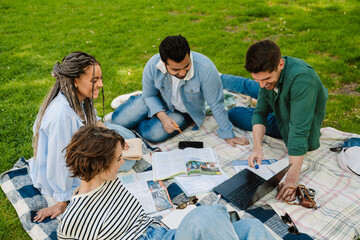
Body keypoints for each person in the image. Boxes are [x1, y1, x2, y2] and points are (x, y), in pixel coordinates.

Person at [57, 126, 275, 240]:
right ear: (99, 165)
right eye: (118, 159)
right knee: (205, 217)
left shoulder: (110, 182)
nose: (123, 163)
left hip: (163, 235)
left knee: (250, 228)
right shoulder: (74, 221)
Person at [30, 51, 135, 222]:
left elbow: (93, 118)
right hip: (69, 163)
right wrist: (63, 200)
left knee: (123, 136)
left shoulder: (75, 96)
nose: (100, 84)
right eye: (94, 80)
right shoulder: (61, 116)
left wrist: (113, 136)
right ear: (75, 81)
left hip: (82, 145)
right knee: (127, 161)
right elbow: (59, 161)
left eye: (100, 78)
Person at [221, 40, 328, 201]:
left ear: (281, 64)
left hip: (296, 120)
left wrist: (292, 180)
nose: (262, 85)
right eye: (259, 79)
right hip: (279, 109)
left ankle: (242, 84)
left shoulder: (302, 80)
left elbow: (299, 133)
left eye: (266, 79)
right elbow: (260, 112)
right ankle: (222, 78)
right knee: (234, 113)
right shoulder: (266, 81)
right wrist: (257, 148)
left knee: (307, 143)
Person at [111, 35, 248, 147]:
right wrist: (163, 117)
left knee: (153, 135)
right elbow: (150, 95)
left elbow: (216, 104)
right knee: (118, 121)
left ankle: (140, 121)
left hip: (183, 112)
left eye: (186, 66)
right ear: (163, 63)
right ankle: (142, 115)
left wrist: (228, 134)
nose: (182, 73)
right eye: (176, 69)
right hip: (155, 100)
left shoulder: (206, 68)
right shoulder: (152, 65)